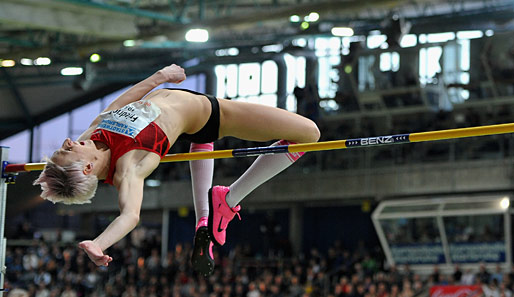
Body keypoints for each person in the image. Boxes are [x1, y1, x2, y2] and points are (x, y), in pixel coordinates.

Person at [33, 64, 320, 276]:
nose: (69, 141)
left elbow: (118, 104)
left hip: (182, 102)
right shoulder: (129, 167)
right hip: (211, 113)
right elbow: (130, 215)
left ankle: (205, 218)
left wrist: (159, 78)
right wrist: (98, 243)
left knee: (202, 142)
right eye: (66, 150)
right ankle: (229, 199)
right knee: (309, 134)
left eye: (64, 145)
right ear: (86, 168)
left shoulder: (93, 136)